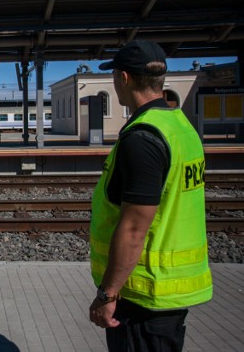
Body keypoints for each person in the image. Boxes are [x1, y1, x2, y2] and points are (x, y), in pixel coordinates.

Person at [88, 40, 212, 352]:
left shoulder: (143, 138)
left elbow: (133, 228)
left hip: (143, 293)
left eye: (114, 75)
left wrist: (107, 294)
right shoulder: (181, 126)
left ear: (124, 78)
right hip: (170, 288)